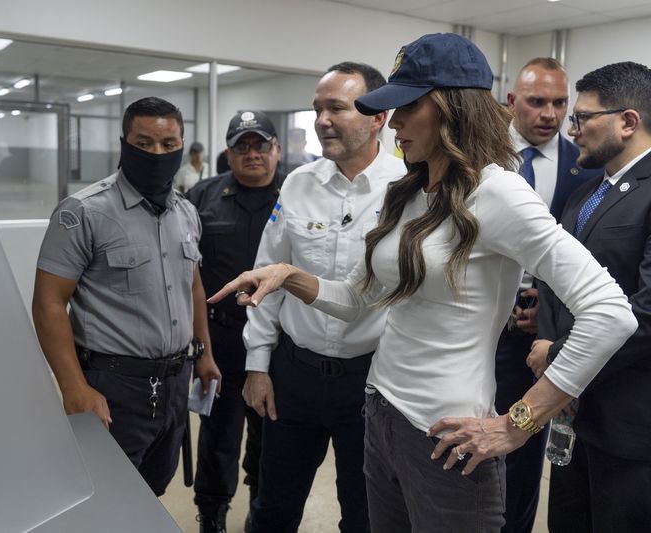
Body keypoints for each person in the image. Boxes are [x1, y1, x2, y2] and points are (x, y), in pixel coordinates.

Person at [209, 33, 636, 533]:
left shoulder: (498, 193)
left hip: (447, 438)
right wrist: (288, 276)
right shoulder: (410, 191)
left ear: (453, 108)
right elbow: (356, 299)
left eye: (408, 107)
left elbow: (610, 313)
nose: (395, 122)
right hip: (382, 413)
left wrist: (517, 424)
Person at [242, 62, 405, 533]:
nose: (321, 120)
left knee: (365, 513)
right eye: (318, 109)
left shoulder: (408, 190)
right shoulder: (297, 184)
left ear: (379, 117)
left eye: (337, 107)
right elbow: (267, 280)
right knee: (272, 506)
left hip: (372, 383)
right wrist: (257, 365)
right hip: (296, 378)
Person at [32, 96, 221, 497]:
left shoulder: (186, 213)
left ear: (182, 144)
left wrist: (203, 354)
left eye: (169, 144)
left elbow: (193, 285)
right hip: (113, 386)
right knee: (108, 500)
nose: (157, 153)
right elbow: (49, 302)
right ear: (124, 143)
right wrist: (73, 388)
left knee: (152, 493)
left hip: (173, 383)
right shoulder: (83, 212)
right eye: (144, 143)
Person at [528, 61, 651, 533]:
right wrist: (546, 342)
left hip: (629, 425)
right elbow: (555, 287)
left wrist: (558, 356)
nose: (572, 129)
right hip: (574, 418)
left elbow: (646, 315)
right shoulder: (585, 195)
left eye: (582, 118)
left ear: (628, 122)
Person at [496, 57, 601, 533]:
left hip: (544, 335)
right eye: (537, 102)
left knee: (524, 450)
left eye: (560, 103)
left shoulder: (587, 168)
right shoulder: (485, 157)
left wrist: (551, 310)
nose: (550, 114)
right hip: (481, 325)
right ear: (513, 102)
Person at [186, 110, 285, 533]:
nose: (252, 154)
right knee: (218, 439)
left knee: (272, 440)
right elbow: (184, 274)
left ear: (276, 150)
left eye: (261, 145)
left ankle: (259, 513)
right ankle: (212, 515)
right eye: (241, 146)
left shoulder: (298, 193)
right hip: (221, 339)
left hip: (281, 344)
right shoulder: (201, 198)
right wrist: (198, 345)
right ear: (228, 153)